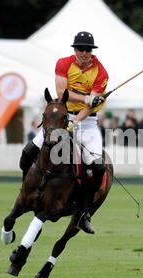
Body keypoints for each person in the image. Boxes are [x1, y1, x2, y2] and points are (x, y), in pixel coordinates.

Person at [19, 31, 108, 234]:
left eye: (88, 49)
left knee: (98, 166)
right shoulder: (64, 63)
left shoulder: (100, 72)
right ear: (74, 49)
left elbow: (91, 107)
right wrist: (87, 99)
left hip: (86, 122)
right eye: (80, 49)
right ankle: (26, 192)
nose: (84, 53)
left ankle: (84, 213)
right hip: (60, 117)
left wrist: (78, 119)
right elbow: (61, 93)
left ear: (91, 52)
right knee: (28, 152)